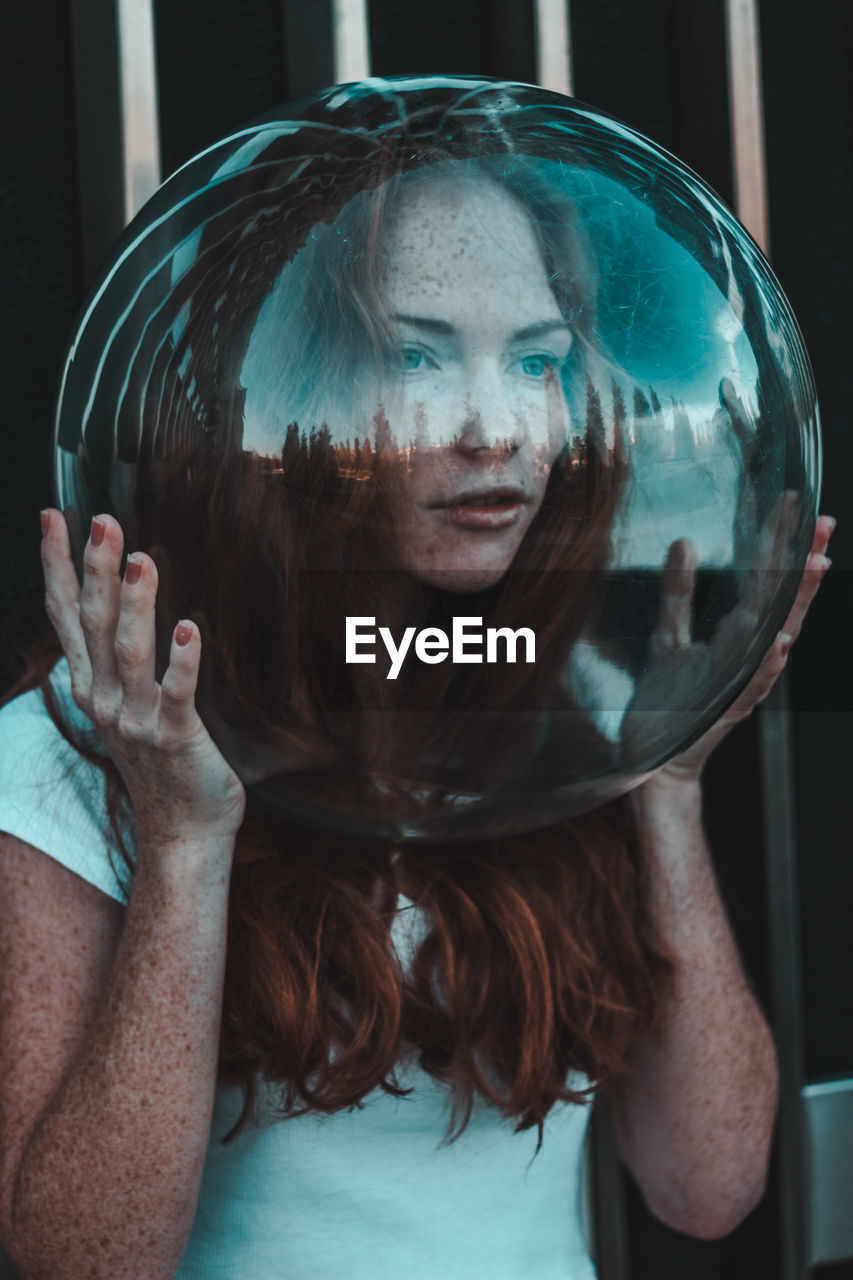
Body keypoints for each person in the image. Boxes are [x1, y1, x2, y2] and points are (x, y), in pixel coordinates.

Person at [0, 133, 835, 1280]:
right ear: (282, 382)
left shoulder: (572, 708)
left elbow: (706, 1187)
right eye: (415, 358)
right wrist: (188, 843)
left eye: (539, 365)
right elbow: (80, 1261)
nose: (496, 427)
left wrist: (667, 779)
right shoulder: (89, 739)